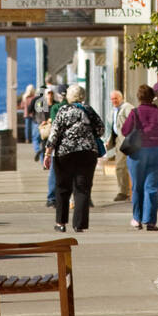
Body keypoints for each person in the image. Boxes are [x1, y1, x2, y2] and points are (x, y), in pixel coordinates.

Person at [43, 83, 104, 233]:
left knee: (63, 188)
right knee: (82, 188)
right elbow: (101, 129)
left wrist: (47, 153)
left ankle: (61, 223)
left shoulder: (63, 110)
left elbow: (54, 133)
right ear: (83, 96)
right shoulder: (89, 110)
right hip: (87, 152)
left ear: (69, 96)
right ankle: (79, 224)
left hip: (65, 153)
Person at [120, 83, 158, 230]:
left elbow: (125, 131)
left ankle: (137, 218)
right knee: (152, 187)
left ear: (139, 97)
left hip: (138, 152)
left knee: (137, 186)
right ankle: (150, 221)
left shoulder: (134, 113)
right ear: (153, 97)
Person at [106, 90, 132, 201]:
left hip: (126, 141)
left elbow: (133, 123)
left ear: (121, 98)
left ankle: (123, 192)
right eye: (112, 99)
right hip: (119, 141)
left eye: (116, 98)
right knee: (121, 166)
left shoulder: (127, 108)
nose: (114, 101)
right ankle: (125, 190)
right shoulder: (114, 110)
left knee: (121, 166)